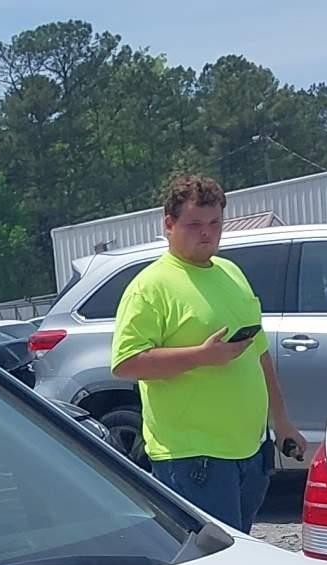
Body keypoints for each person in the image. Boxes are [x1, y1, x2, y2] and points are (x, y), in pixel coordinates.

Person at [108, 173, 308, 533]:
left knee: (241, 551)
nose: (207, 233)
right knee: (214, 562)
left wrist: (281, 421)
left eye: (215, 222)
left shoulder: (231, 272)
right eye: (195, 224)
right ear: (168, 224)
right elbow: (125, 363)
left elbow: (258, 353)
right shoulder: (150, 286)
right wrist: (201, 356)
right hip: (193, 457)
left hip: (250, 451)